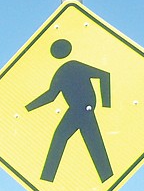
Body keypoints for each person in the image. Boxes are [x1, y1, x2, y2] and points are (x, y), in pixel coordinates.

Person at [26, 38, 113, 183]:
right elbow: (51, 96)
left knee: (64, 138)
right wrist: (28, 108)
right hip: (78, 109)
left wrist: (106, 105)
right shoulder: (64, 70)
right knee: (90, 141)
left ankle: (47, 178)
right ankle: (106, 177)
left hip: (83, 109)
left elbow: (104, 76)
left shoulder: (72, 67)